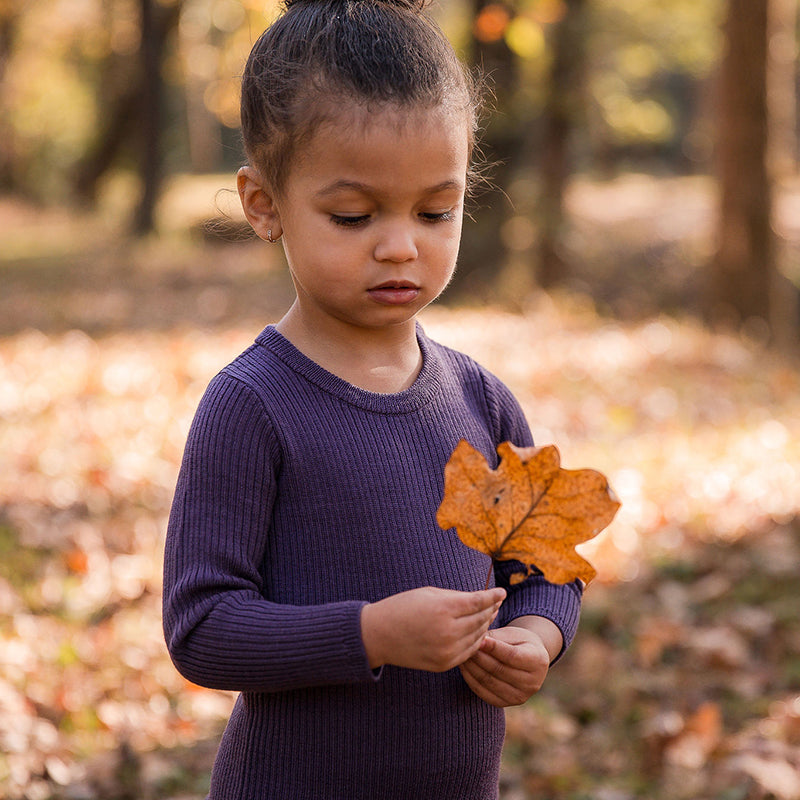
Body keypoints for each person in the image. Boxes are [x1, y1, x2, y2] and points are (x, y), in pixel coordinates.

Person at [162, 1, 582, 797]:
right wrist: (370, 635)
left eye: (436, 211)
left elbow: (546, 563)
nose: (401, 245)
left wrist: (535, 635)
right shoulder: (252, 407)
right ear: (265, 204)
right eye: (353, 216)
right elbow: (203, 628)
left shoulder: (479, 398)